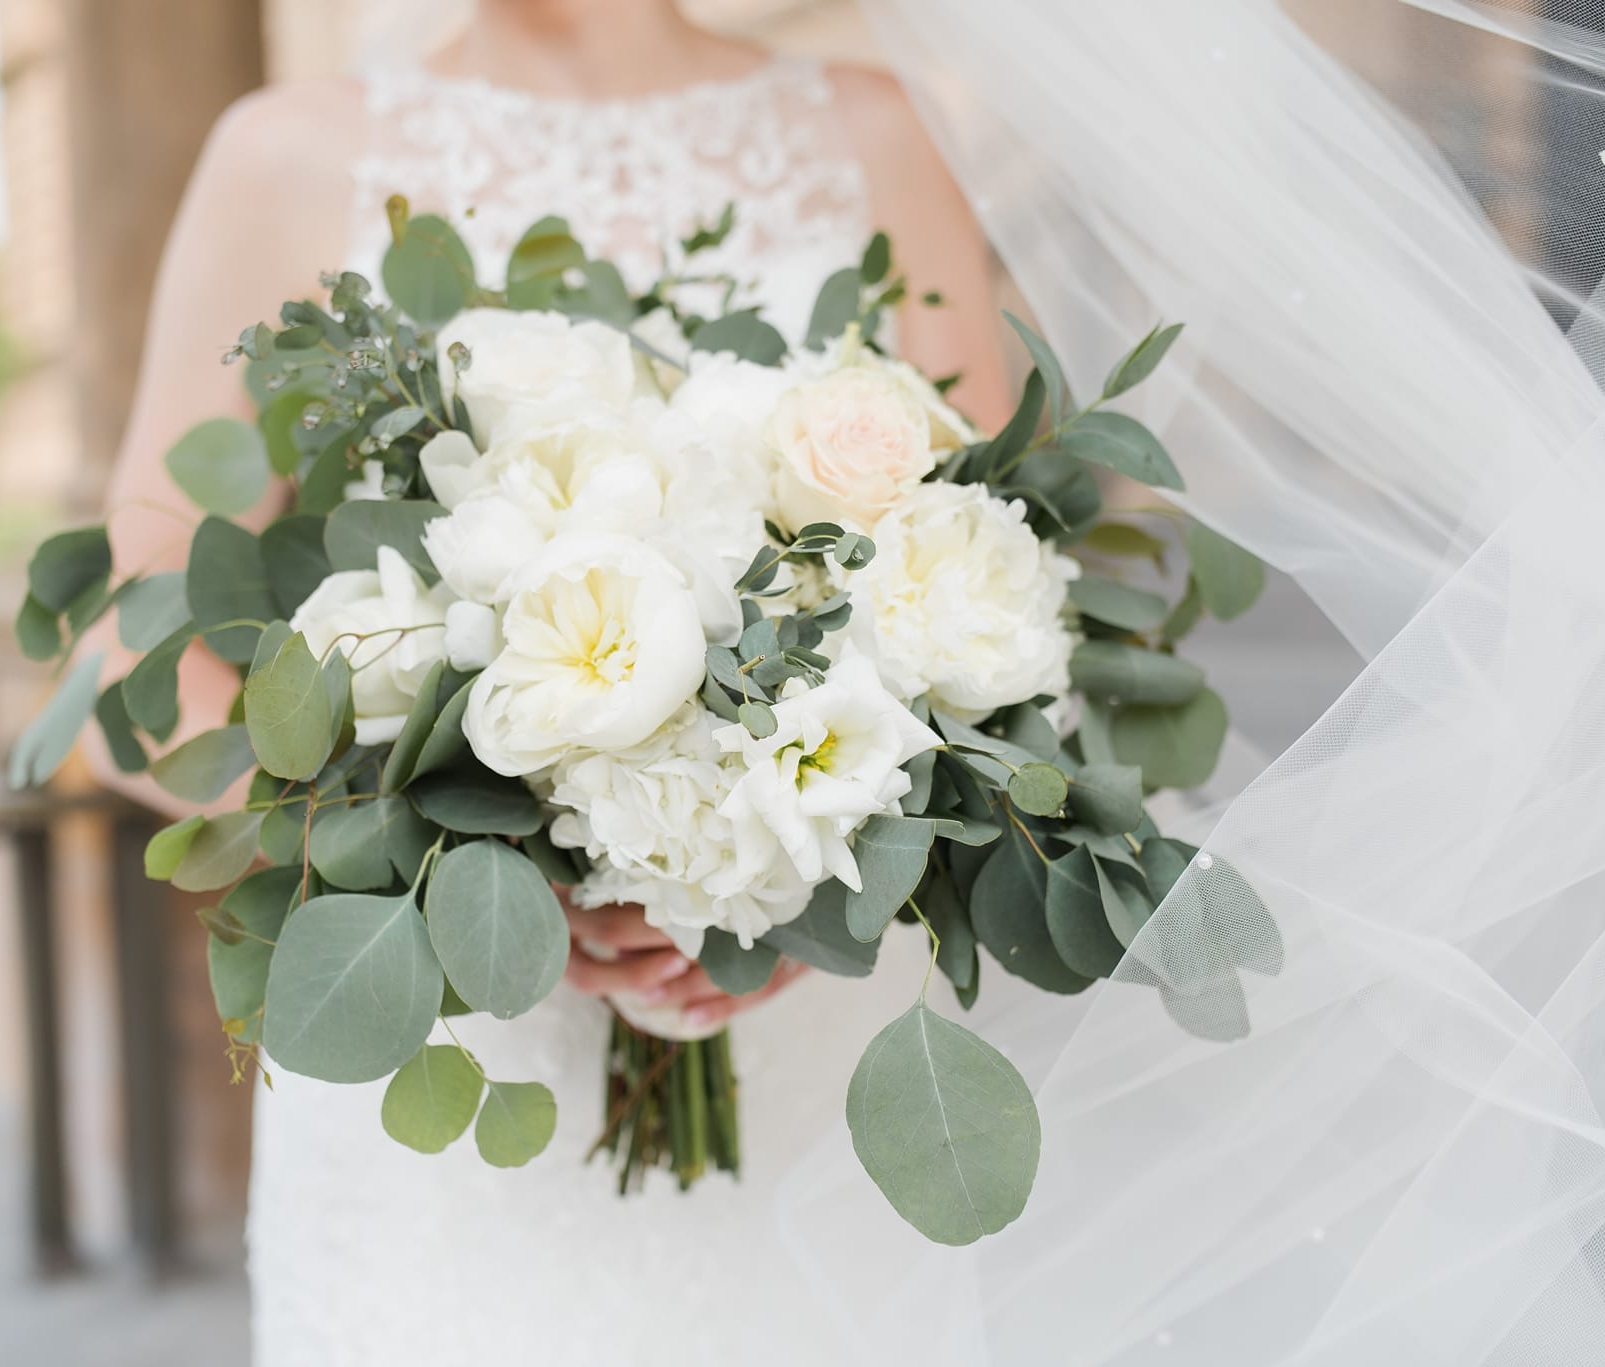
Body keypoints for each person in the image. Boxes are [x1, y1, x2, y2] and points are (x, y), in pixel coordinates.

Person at [91, 2, 1016, 1361]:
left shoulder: (877, 133)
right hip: (455, 1046)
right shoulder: (289, 152)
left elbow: (985, 571)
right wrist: (461, 872)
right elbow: (133, 654)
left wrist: (814, 887)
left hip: (817, 1023)